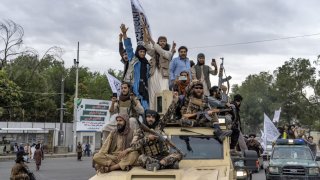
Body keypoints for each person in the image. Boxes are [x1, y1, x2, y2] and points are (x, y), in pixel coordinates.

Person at [131, 106, 182, 171]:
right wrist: (147, 138)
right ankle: (168, 165)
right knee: (141, 158)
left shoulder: (159, 127)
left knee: (179, 154)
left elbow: (167, 116)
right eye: (148, 117)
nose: (151, 119)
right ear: (145, 118)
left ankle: (159, 165)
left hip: (164, 157)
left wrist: (174, 102)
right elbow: (133, 146)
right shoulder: (140, 131)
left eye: (153, 117)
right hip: (150, 158)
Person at [143, 30, 176, 110]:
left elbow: (161, 52)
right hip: (153, 74)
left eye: (164, 41)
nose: (162, 42)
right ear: (158, 42)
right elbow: (147, 47)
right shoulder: (154, 52)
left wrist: (151, 39)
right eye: (161, 41)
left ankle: (165, 114)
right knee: (152, 95)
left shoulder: (168, 53)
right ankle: (152, 114)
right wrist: (145, 35)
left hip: (163, 76)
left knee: (164, 93)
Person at [122, 24, 150, 110]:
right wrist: (124, 34)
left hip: (145, 90)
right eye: (141, 51)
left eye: (144, 52)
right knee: (134, 110)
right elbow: (129, 48)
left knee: (145, 109)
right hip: (134, 89)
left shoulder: (147, 64)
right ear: (138, 51)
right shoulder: (134, 60)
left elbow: (148, 76)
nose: (142, 53)